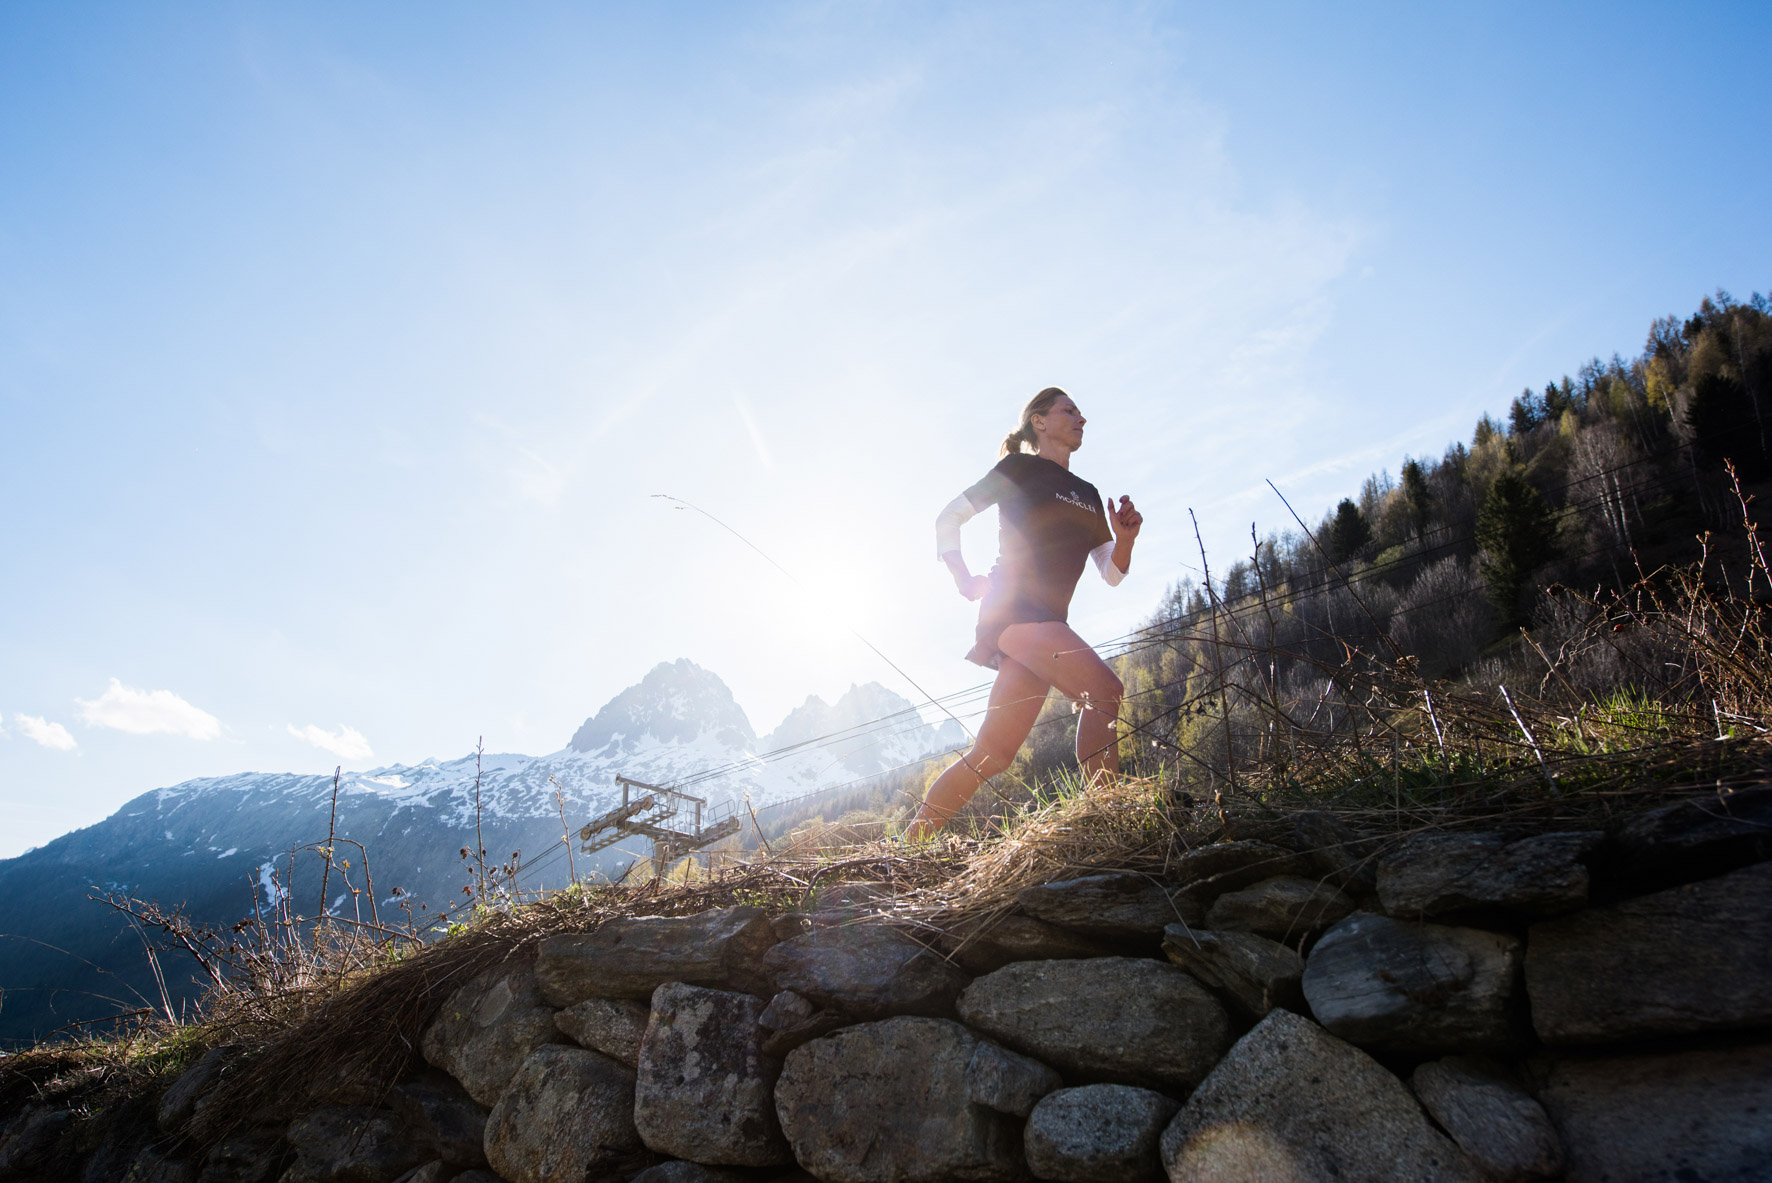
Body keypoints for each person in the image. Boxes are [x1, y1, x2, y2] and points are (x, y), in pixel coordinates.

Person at [906, 386, 1142, 839]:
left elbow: (1111, 573)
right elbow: (948, 517)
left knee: (992, 755)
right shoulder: (1018, 469)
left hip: (1047, 622)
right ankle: (1108, 822)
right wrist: (962, 576)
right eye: (1069, 410)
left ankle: (911, 843)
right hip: (1013, 610)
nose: (1081, 419)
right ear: (1039, 421)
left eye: (1080, 413)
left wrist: (1125, 540)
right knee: (1104, 691)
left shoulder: (1089, 494)